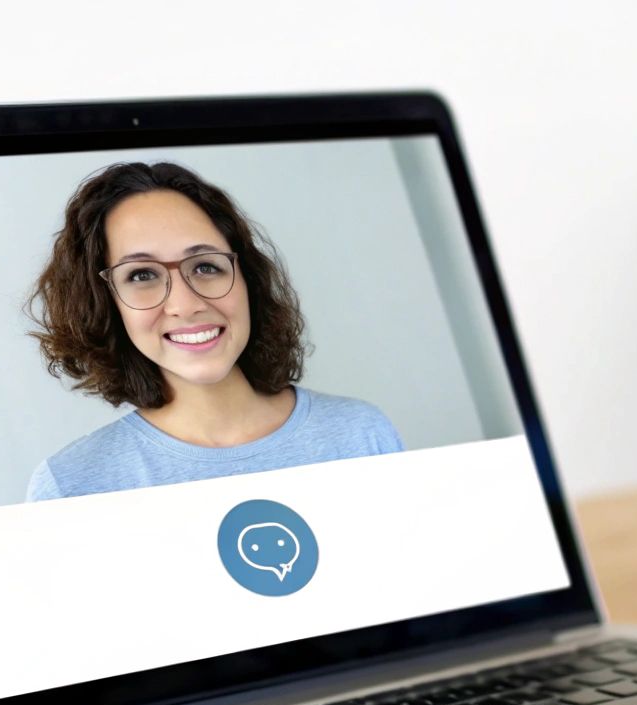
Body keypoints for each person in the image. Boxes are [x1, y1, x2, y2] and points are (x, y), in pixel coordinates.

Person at [25, 161, 401, 501]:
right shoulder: (72, 487)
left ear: (246, 279)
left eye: (205, 266)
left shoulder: (360, 435)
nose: (186, 303)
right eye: (141, 275)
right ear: (105, 303)